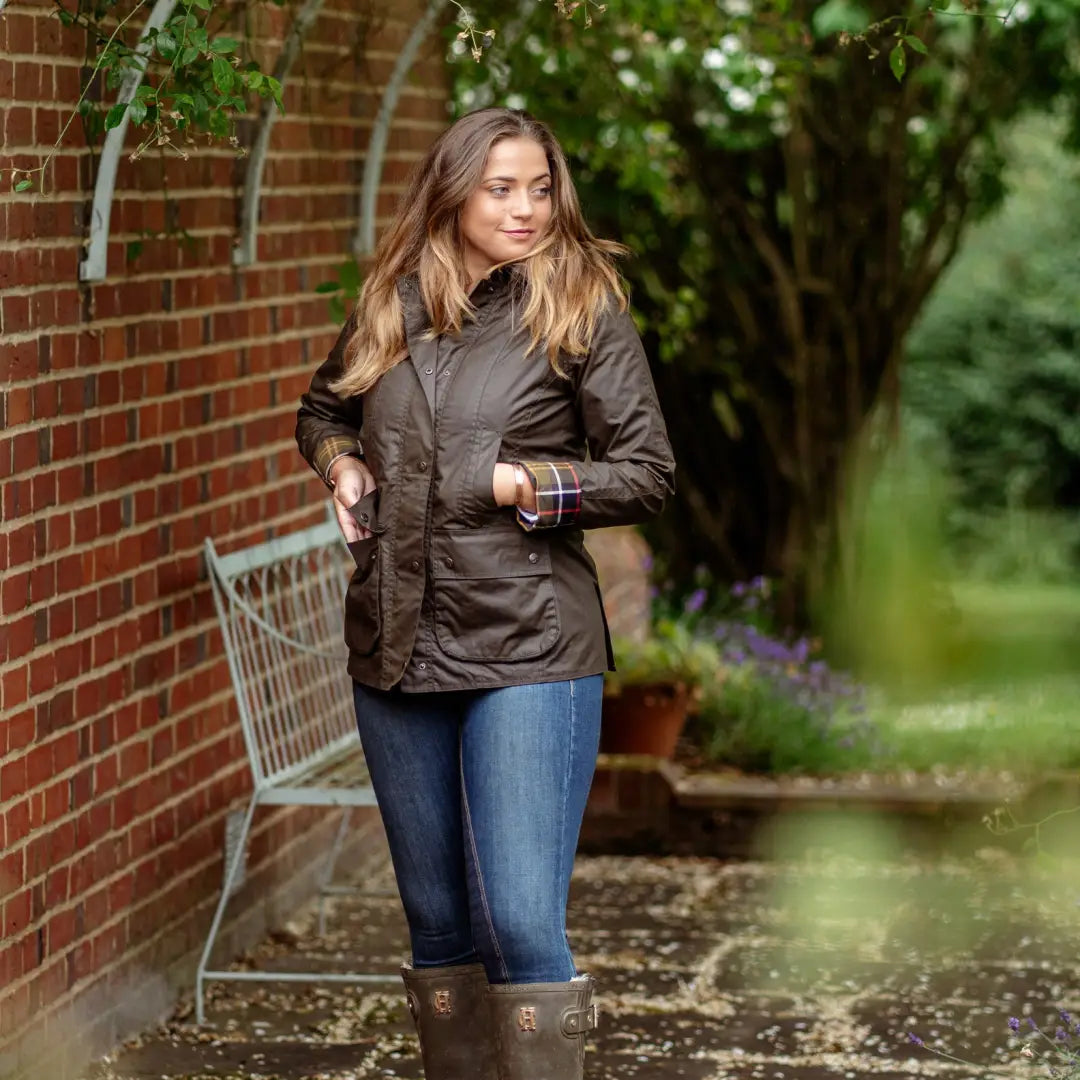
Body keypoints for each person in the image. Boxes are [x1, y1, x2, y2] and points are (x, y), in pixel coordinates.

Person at [295, 107, 675, 1080]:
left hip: (530, 650)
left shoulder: (579, 305)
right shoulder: (396, 298)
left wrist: (527, 484)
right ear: (453, 190)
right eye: (501, 188)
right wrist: (343, 466)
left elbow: (646, 473)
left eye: (540, 188)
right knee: (437, 923)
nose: (526, 208)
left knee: (516, 916)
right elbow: (325, 406)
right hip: (396, 644)